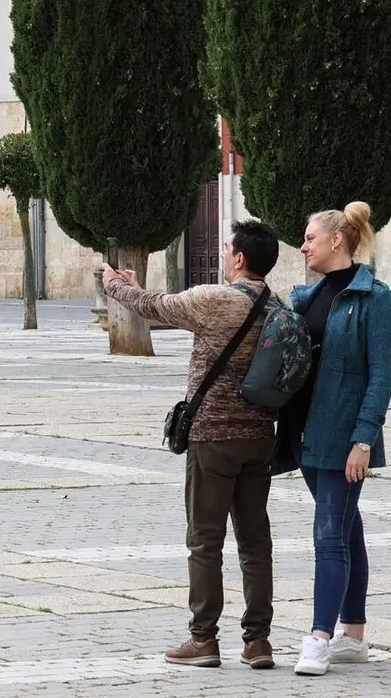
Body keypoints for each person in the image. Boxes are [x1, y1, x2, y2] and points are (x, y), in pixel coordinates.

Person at [102, 219, 282, 669]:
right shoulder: (275, 303)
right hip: (260, 437)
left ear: (240, 259)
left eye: (226, 250)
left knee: (205, 541)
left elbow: (154, 307)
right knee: (255, 541)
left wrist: (115, 286)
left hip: (213, 439)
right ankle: (258, 641)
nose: (223, 257)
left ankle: (204, 639)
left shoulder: (215, 299)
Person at [275, 202, 391, 676]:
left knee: (329, 535)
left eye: (309, 238)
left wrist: (364, 439)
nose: (303, 246)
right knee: (347, 529)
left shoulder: (375, 299)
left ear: (336, 241)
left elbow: (381, 376)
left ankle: (320, 637)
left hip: (345, 440)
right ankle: (355, 635)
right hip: (305, 437)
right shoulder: (307, 298)